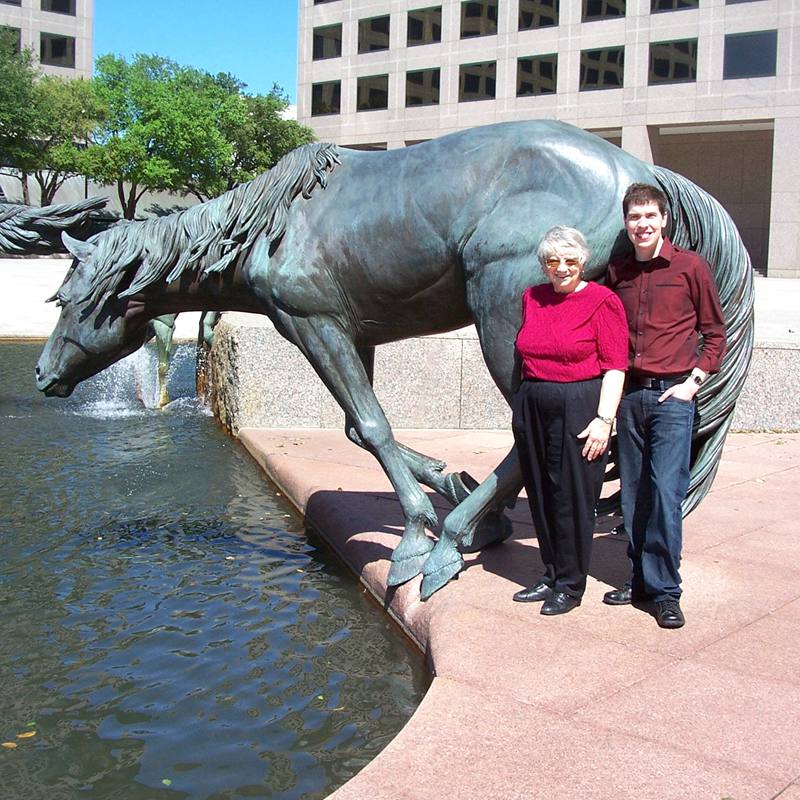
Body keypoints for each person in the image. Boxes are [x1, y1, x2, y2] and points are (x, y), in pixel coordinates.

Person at [604, 183, 726, 629]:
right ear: (627, 223)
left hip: (674, 396)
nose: (642, 224)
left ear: (664, 219)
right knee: (634, 495)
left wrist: (693, 383)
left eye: (650, 216)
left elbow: (715, 332)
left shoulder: (690, 267)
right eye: (635, 217)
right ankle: (640, 580)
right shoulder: (619, 273)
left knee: (665, 495)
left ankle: (666, 592)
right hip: (633, 396)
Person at [511, 226, 628, 616]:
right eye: (552, 261)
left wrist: (604, 420)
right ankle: (550, 572)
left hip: (579, 403)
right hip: (534, 402)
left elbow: (615, 367)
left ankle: (571, 584)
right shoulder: (533, 297)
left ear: (582, 261)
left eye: (570, 260)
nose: (561, 268)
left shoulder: (602, 301)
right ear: (543, 264)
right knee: (541, 491)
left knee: (573, 496)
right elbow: (523, 352)